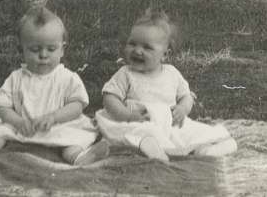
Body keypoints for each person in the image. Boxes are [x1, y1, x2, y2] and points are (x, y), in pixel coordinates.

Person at [0, 3, 108, 165]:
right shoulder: (16, 79)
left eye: (51, 49)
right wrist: (17, 121)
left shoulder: (68, 78)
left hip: (59, 125)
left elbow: (77, 105)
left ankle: (78, 157)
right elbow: (3, 108)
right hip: (23, 126)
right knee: (1, 132)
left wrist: (54, 117)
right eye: (35, 49)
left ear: (62, 50)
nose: (43, 55)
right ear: (22, 49)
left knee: (72, 138)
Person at [95, 10, 237, 162]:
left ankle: (204, 149)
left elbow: (186, 96)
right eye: (132, 43)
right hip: (139, 122)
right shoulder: (125, 74)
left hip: (169, 125)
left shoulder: (172, 73)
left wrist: (182, 109)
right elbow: (110, 97)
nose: (137, 50)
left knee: (196, 133)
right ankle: (153, 150)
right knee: (140, 133)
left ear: (165, 55)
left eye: (147, 47)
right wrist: (128, 116)